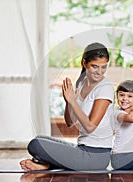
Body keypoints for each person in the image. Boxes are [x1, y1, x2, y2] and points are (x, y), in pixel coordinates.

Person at [20, 42, 115, 171]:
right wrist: (68, 102)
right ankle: (48, 163)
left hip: (96, 156)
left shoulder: (105, 87)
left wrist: (73, 101)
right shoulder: (81, 84)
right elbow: (70, 122)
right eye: (95, 66)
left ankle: (47, 164)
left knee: (36, 145)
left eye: (104, 67)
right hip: (81, 148)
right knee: (39, 139)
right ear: (84, 63)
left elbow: (90, 126)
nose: (99, 72)